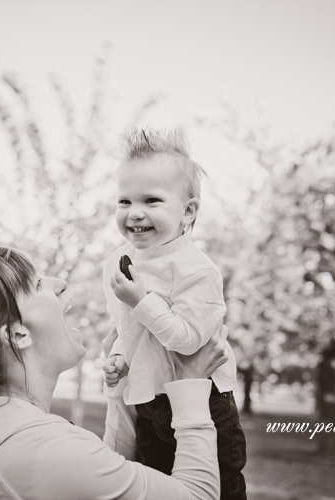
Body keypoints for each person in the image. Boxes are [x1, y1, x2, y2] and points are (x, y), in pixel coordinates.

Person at [0, 246, 227, 500]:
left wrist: (123, 387)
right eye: (38, 284)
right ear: (18, 335)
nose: (60, 284)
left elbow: (104, 475)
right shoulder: (44, 451)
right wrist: (190, 389)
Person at [101, 129, 247, 500]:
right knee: (159, 488)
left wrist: (141, 301)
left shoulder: (196, 269)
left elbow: (188, 340)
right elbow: (129, 328)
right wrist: (119, 356)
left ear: (188, 211)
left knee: (217, 489)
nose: (135, 213)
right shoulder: (122, 261)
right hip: (149, 400)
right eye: (124, 201)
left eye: (151, 200)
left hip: (202, 401)